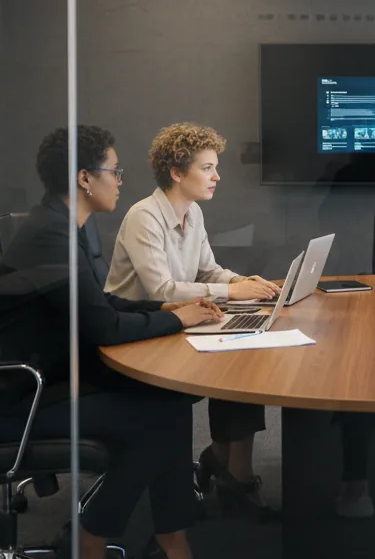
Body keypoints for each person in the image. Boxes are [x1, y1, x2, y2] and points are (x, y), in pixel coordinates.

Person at [0, 125, 222, 559]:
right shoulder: (51, 238)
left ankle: (173, 538)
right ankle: (91, 537)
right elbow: (105, 329)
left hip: (43, 380)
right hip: (6, 402)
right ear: (85, 178)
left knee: (170, 402)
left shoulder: (62, 226)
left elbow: (99, 304)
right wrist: (178, 320)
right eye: (114, 172)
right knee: (156, 423)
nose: (119, 181)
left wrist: (164, 311)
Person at [104, 122, 282, 517]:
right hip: (139, 336)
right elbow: (161, 291)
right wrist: (231, 293)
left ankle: (233, 470)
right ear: (177, 172)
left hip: (178, 326)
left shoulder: (194, 213)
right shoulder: (143, 217)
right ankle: (222, 464)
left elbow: (205, 271)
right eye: (207, 168)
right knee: (234, 363)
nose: (217, 176)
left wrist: (241, 280)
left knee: (242, 359)